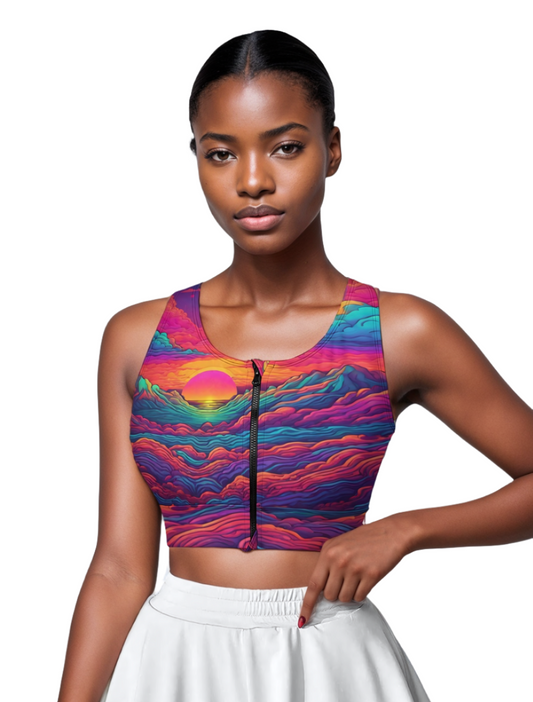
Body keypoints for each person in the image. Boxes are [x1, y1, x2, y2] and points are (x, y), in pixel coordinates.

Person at [57, 29, 533, 702]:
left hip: (332, 662)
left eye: (285, 147)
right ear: (196, 159)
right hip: (173, 666)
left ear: (331, 149)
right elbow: (118, 571)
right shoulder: (140, 339)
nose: (252, 180)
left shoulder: (398, 331)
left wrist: (405, 530)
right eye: (221, 153)